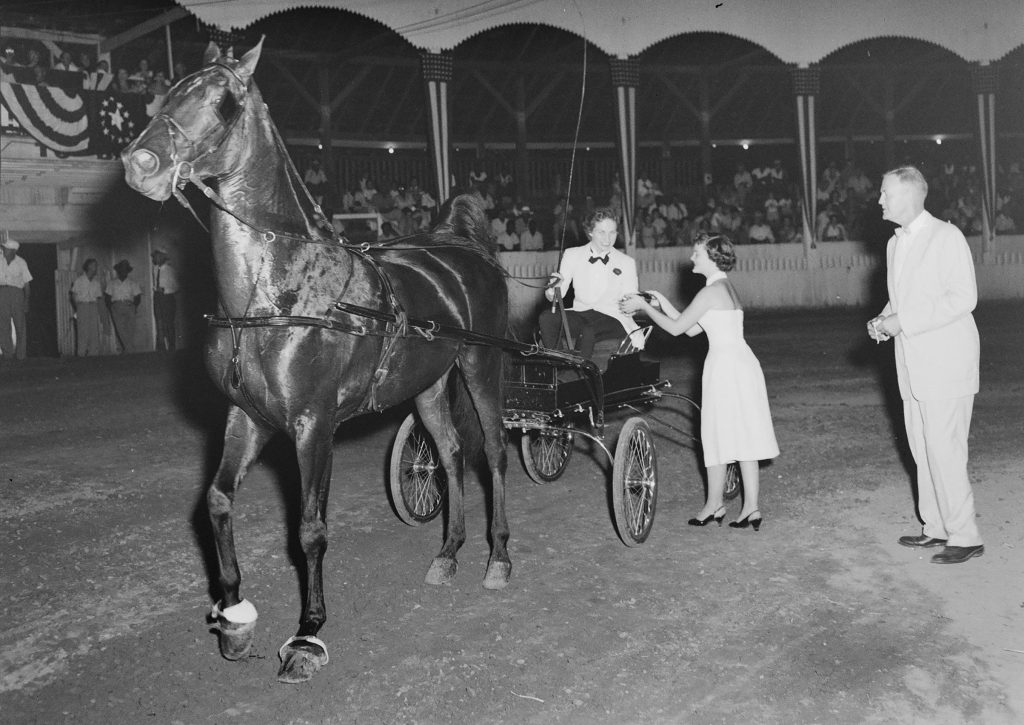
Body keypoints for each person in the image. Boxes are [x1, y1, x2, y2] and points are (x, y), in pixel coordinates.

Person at [620, 233, 779, 529]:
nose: (692, 258)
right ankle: (750, 508)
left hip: (725, 367)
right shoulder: (725, 287)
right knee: (743, 434)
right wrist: (661, 301)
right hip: (741, 363)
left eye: (697, 253)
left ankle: (715, 504)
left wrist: (645, 308)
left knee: (717, 433)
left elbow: (677, 329)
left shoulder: (709, 292)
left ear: (711, 258)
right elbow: (693, 329)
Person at [868, 165, 984, 565]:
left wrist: (902, 320)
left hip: (947, 363)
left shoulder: (946, 236)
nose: (879, 200)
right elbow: (904, 299)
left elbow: (963, 298)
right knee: (922, 448)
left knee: (945, 450)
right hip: (912, 364)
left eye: (886, 193)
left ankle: (965, 536)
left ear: (911, 194)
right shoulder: (894, 244)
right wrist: (884, 319)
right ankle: (936, 527)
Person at [538, 208, 643, 359]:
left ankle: (580, 370)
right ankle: (560, 362)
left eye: (612, 232)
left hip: (614, 317)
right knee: (547, 318)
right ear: (590, 232)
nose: (607, 239)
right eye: (602, 232)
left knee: (588, 330)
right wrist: (554, 287)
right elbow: (556, 295)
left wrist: (633, 304)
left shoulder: (626, 262)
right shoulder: (572, 254)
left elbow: (632, 301)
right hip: (582, 313)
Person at [0, 237, 33, 361]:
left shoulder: (21, 262)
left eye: (6, 248)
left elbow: (27, 284)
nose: (3, 250)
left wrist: (26, 301)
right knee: (3, 324)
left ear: (13, 250)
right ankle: (7, 354)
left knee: (20, 325)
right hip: (2, 292)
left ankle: (21, 355)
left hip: (17, 294)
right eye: (3, 248)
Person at [105, 259, 142, 353]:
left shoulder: (133, 283)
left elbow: (138, 297)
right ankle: (130, 350)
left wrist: (134, 306)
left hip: (129, 306)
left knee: (130, 330)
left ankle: (128, 350)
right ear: (118, 271)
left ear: (127, 271)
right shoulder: (111, 283)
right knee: (120, 329)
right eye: (121, 270)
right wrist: (112, 308)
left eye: (125, 270)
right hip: (116, 307)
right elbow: (107, 297)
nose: (123, 272)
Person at [69, 258, 104, 356]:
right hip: (82, 306)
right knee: (83, 332)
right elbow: (73, 296)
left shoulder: (96, 283)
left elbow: (98, 298)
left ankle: (93, 354)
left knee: (94, 332)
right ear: (89, 267)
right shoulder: (79, 281)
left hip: (93, 307)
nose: (96, 268)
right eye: (95, 265)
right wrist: (78, 308)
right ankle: (81, 354)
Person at [151, 248, 178, 351]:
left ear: (163, 257)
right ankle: (161, 348)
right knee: (159, 322)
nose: (155, 258)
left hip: (167, 298)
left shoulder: (170, 270)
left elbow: (177, 287)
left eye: (157, 256)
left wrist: (165, 289)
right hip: (157, 297)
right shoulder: (154, 269)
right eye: (155, 256)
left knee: (169, 323)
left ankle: (172, 347)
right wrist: (157, 290)